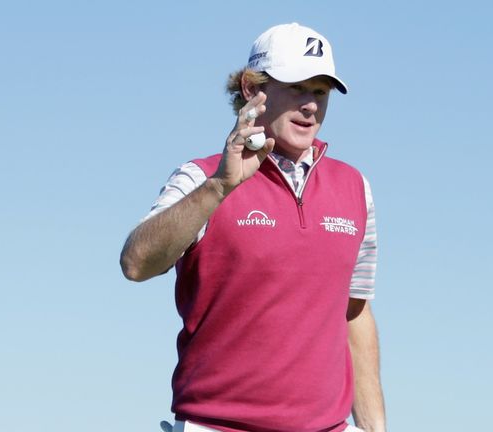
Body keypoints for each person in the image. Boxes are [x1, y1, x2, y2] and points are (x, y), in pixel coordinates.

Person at [120, 23, 385, 432]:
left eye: (320, 92)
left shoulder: (355, 187)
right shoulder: (201, 177)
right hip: (217, 425)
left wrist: (375, 428)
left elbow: (355, 311)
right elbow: (136, 264)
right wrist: (219, 187)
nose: (310, 106)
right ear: (250, 89)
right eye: (297, 88)